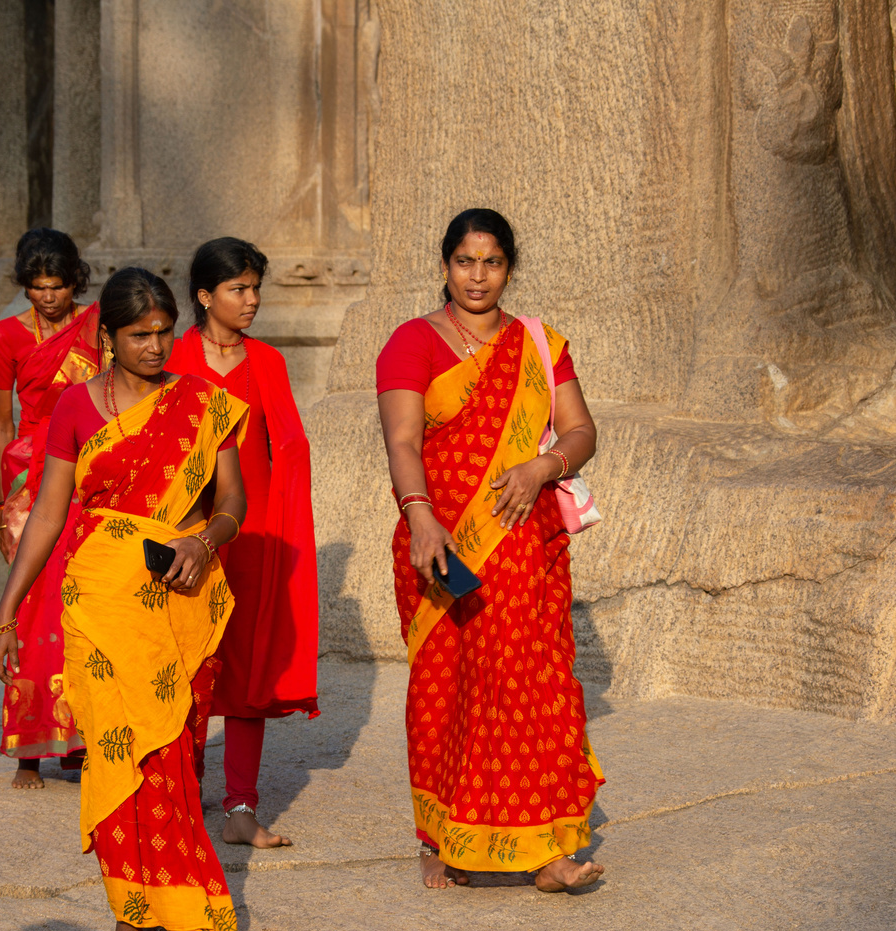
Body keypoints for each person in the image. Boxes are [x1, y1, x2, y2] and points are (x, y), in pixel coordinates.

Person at [0, 268, 245, 931]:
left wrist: (204, 540)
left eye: (165, 333)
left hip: (181, 600)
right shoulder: (76, 407)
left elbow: (231, 502)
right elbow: (47, 511)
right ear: (107, 337)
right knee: (113, 759)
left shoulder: (204, 402)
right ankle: (129, 921)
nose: (157, 347)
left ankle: (186, 908)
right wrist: (7, 611)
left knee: (172, 760)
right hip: (99, 601)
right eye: (140, 335)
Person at [375, 208, 606, 892]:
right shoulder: (412, 342)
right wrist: (420, 518)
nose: (478, 276)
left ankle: (547, 851)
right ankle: (438, 839)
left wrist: (545, 467)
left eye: (493, 262)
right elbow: (403, 443)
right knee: (448, 686)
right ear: (446, 266)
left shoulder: (538, 345)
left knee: (531, 686)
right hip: (444, 544)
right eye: (465, 261)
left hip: (525, 543)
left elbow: (581, 429)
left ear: (510, 267)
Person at [164, 237, 318, 848]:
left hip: (251, 534)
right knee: (186, 666)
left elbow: (291, 449)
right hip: (184, 534)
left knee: (248, 668)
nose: (252, 300)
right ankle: (179, 794)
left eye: (255, 288)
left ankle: (240, 807)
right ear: (205, 297)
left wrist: (283, 533)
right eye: (238, 289)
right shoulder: (170, 356)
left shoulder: (268, 363)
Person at [0, 228, 99, 786]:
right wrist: (3, 492)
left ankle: (77, 738)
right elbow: (2, 421)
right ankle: (29, 749)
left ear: (74, 281)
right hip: (29, 476)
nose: (48, 297)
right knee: (30, 604)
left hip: (84, 461)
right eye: (36, 287)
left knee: (80, 600)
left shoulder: (98, 324)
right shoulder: (6, 334)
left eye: (56, 286)